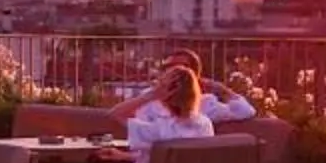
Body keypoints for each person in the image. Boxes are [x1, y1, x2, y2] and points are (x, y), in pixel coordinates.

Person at [118, 64, 217, 163]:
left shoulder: (160, 129)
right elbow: (166, 158)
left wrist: (150, 96)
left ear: (165, 96)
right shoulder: (205, 124)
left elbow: (115, 114)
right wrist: (122, 156)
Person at [107, 49, 258, 126]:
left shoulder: (206, 104)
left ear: (193, 74)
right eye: (168, 67)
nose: (172, 71)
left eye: (179, 67)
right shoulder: (204, 125)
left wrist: (221, 89)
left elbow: (117, 114)